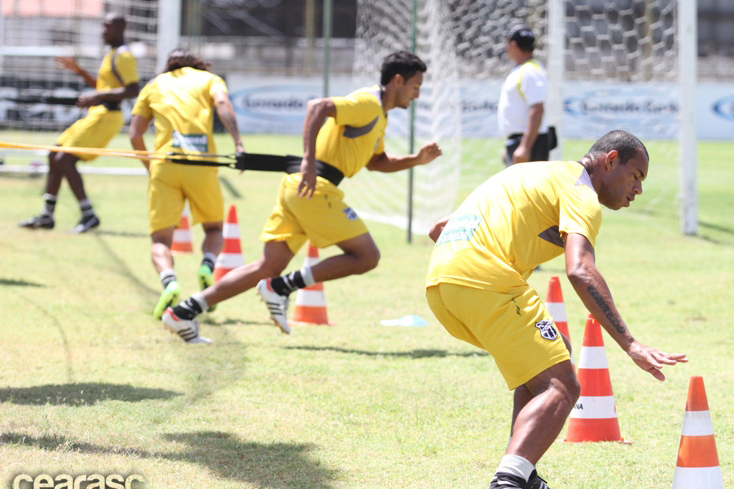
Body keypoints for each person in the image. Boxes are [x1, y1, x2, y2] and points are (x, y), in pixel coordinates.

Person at [426, 130, 688, 489]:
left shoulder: (536, 173)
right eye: (636, 175)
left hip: (442, 283)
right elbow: (580, 270)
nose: (637, 189)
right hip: (484, 280)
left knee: (551, 355)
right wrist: (630, 343)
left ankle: (523, 475)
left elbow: (441, 226)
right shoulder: (581, 195)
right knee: (562, 386)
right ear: (611, 160)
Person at [162, 50, 442, 343]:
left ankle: (182, 313)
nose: (418, 95)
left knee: (265, 267)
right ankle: (282, 287)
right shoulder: (368, 103)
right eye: (416, 86)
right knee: (367, 256)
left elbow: (377, 162)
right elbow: (317, 107)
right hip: (314, 188)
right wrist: (308, 161)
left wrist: (416, 159)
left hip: (299, 188)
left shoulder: (378, 114)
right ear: (398, 81)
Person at [128, 49, 245, 320]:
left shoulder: (154, 84)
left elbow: (135, 134)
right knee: (214, 228)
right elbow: (224, 104)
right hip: (202, 165)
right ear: (198, 64)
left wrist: (151, 167)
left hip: (164, 166)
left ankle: (169, 281)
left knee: (160, 240)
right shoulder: (209, 79)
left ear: (168, 65)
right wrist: (238, 142)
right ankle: (207, 266)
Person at [19, 13, 139, 233]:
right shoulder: (112, 54)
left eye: (107, 26)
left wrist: (97, 96)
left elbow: (133, 89)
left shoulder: (124, 55)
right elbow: (103, 86)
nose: (103, 30)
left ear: (120, 29)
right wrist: (80, 72)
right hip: (98, 113)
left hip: (107, 116)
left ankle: (88, 214)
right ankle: (47, 215)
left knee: (65, 159)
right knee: (54, 153)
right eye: (103, 26)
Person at [498, 25, 551, 166]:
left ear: (513, 44)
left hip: (530, 143)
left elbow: (537, 109)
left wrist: (524, 147)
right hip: (521, 141)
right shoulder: (525, 69)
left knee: (527, 188)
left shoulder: (530, 71)